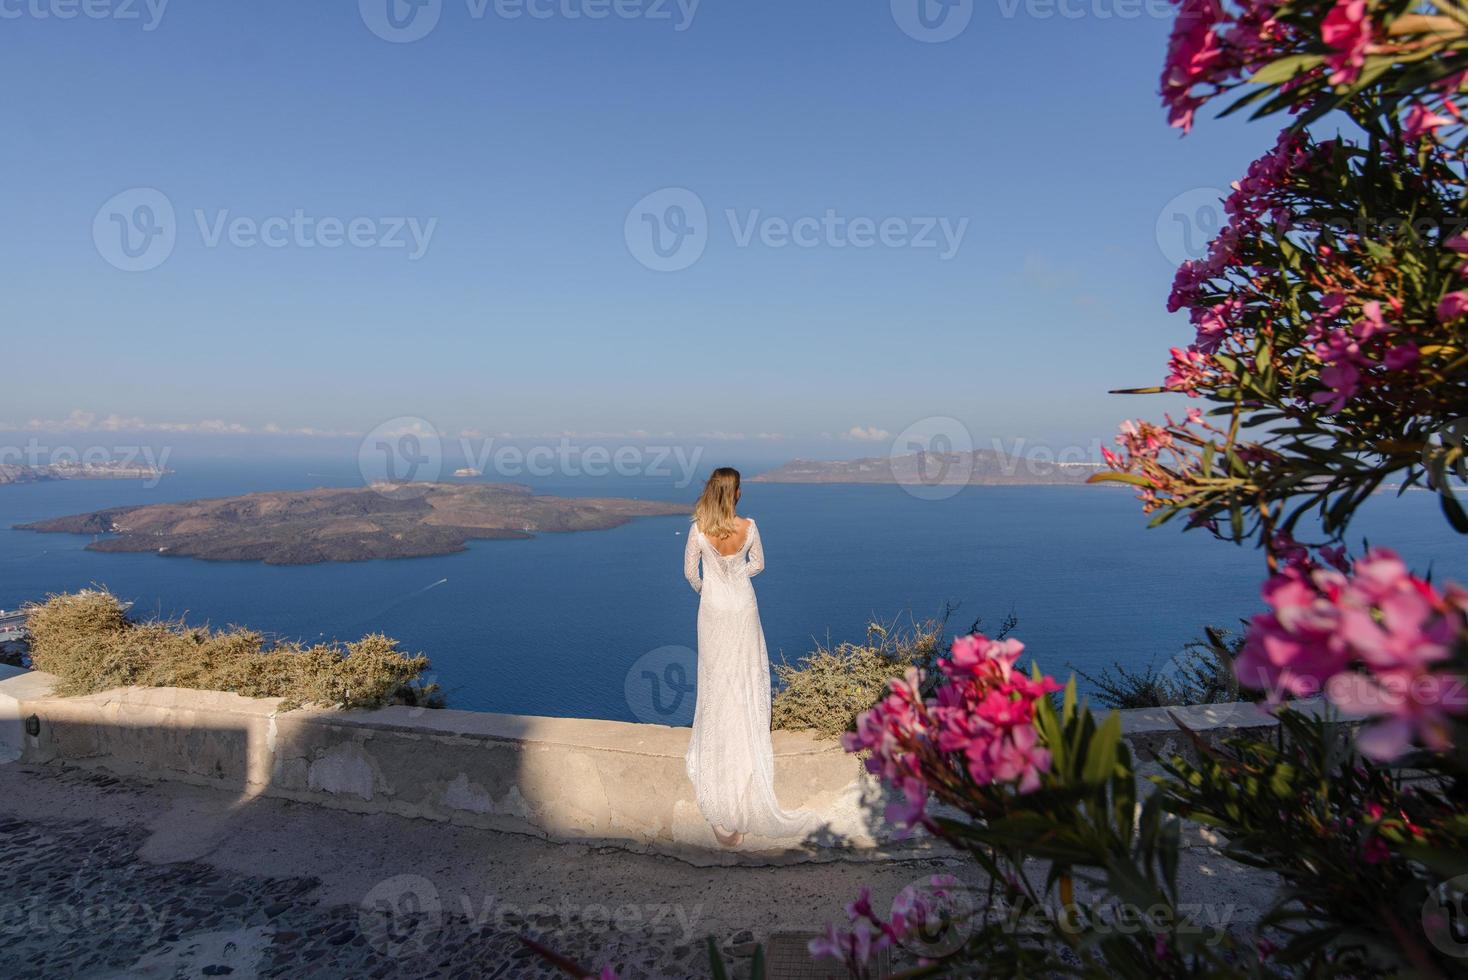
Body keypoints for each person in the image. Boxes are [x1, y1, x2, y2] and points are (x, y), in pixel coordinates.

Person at [682, 467, 818, 847]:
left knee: (716, 679)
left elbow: (690, 574)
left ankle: (719, 764)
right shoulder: (750, 527)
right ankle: (747, 752)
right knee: (745, 677)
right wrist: (738, 574)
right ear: (736, 493)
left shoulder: (697, 530)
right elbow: (758, 565)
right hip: (743, 606)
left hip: (712, 610)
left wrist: (711, 589)